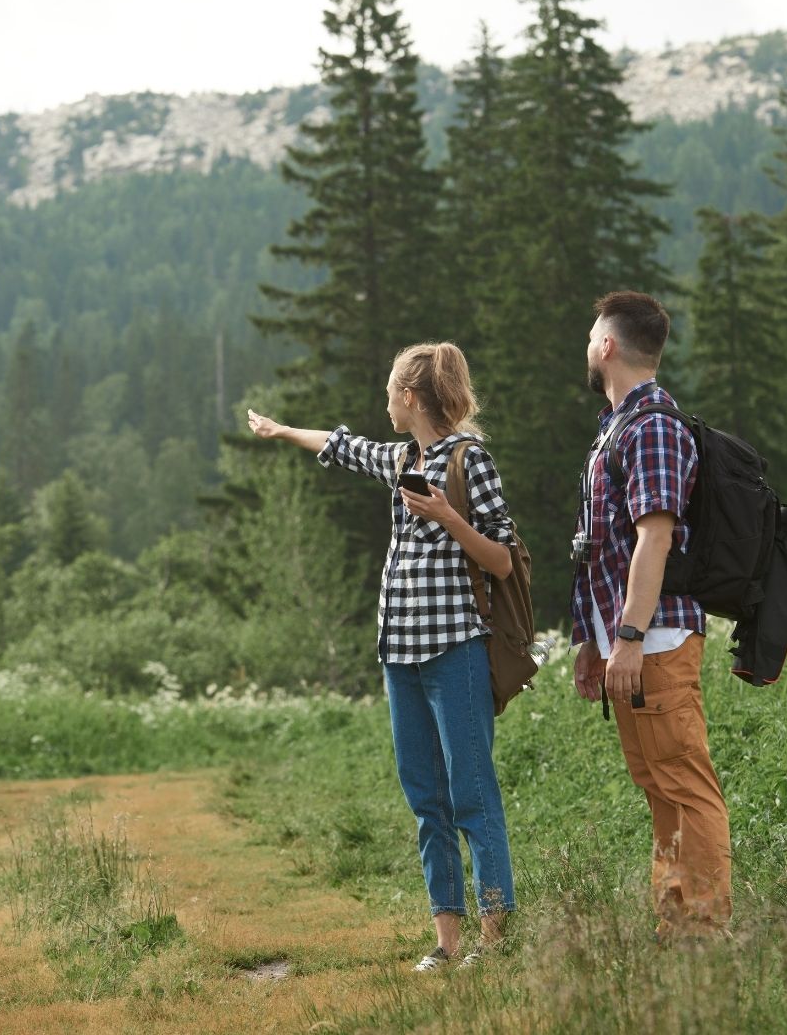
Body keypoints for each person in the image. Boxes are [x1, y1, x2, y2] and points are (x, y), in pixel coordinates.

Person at [247, 342, 517, 971]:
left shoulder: (469, 461)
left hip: (456, 651)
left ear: (410, 397)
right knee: (427, 798)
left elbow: (503, 559)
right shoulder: (401, 457)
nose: (386, 403)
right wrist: (282, 430)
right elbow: (342, 447)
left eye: (390, 392)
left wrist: (448, 515)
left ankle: (495, 941)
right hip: (400, 655)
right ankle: (448, 945)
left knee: (472, 793)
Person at [571, 290, 732, 942]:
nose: (586, 346)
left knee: (685, 783)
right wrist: (594, 641)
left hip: (657, 638)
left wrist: (630, 636)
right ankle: (676, 923)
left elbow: (655, 537)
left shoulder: (653, 426)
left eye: (590, 336)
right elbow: (604, 547)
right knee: (658, 784)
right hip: (629, 643)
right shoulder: (615, 429)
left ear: (608, 346)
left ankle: (705, 927)